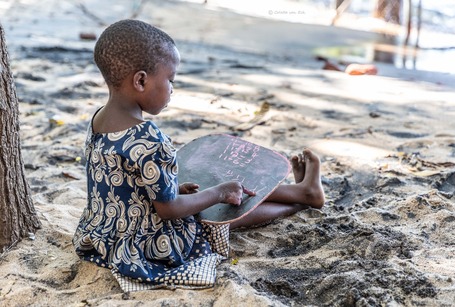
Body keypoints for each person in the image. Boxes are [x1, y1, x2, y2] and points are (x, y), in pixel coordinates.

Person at [73, 19, 325, 292]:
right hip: (146, 243)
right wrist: (217, 193)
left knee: (203, 190)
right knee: (216, 215)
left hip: (105, 234)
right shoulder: (149, 139)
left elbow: (121, 181)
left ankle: (301, 191)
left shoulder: (99, 119)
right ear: (141, 80)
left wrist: (177, 189)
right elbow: (168, 211)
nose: (172, 89)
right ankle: (302, 199)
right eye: (170, 79)